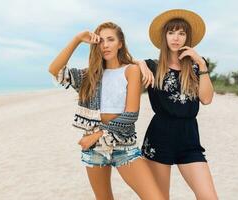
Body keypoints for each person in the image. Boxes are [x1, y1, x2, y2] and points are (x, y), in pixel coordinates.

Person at [49, 22, 165, 200]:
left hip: (124, 145)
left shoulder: (131, 70)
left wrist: (97, 134)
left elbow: (131, 114)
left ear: (120, 43)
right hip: (94, 150)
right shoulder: (90, 75)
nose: (105, 45)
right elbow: (55, 70)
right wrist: (78, 39)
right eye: (101, 41)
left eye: (110, 40)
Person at [138, 9, 218, 200]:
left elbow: (206, 99)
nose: (176, 38)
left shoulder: (197, 66)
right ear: (164, 36)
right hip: (159, 137)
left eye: (181, 33)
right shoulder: (152, 66)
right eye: (171, 32)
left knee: (209, 197)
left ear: (187, 37)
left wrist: (202, 65)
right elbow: (122, 60)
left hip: (189, 138)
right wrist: (140, 63)